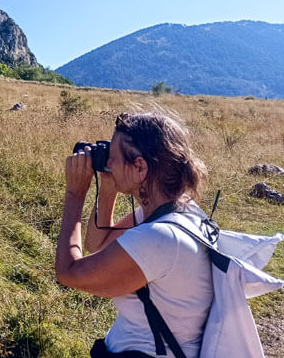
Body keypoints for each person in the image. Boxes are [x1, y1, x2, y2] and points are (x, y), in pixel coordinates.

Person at [54, 112, 212, 358]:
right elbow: (98, 244)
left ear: (139, 167)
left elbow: (69, 272)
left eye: (114, 159)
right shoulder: (179, 211)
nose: (110, 164)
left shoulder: (159, 238)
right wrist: (108, 188)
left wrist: (75, 194)